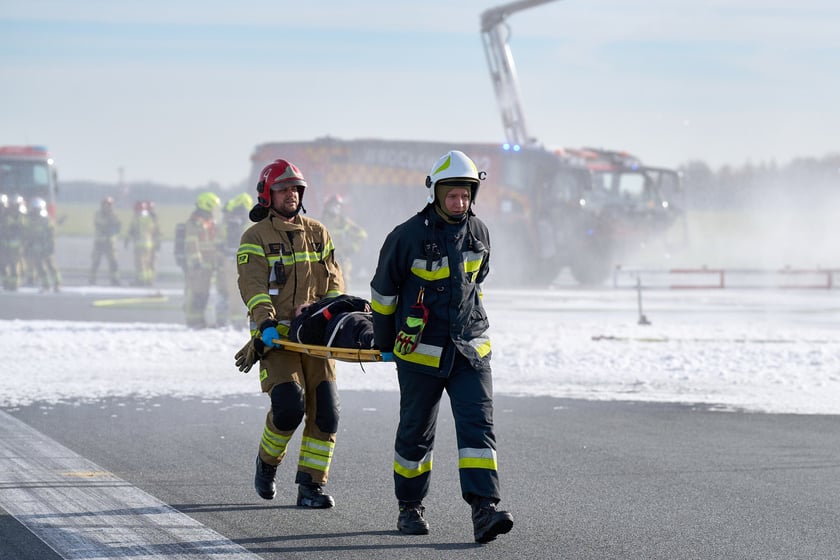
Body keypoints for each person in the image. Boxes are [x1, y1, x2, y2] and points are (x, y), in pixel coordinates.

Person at [370, 150, 514, 543]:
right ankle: (410, 507)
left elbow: (476, 279)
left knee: (478, 429)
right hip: (420, 354)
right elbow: (382, 295)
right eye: (452, 194)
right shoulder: (406, 236)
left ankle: (484, 510)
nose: (459, 202)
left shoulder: (479, 232)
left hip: (470, 351)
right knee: (416, 432)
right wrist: (384, 343)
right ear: (435, 193)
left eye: (466, 194)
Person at [237, 159, 344, 509]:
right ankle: (267, 465)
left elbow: (334, 283)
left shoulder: (319, 232)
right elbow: (253, 287)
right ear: (268, 194)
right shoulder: (255, 237)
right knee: (288, 408)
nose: (291, 196)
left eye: (296, 189)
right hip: (277, 340)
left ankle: (310, 487)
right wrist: (265, 324)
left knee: (326, 412)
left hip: (316, 341)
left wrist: (329, 315)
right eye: (283, 189)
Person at [182, 191, 221, 328]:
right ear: (207, 205)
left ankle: (200, 320)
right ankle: (193, 321)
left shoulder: (208, 221)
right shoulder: (195, 222)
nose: (215, 210)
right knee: (196, 292)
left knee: (204, 293)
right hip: (198, 266)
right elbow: (192, 242)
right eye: (213, 207)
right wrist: (196, 261)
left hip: (208, 265)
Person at [216, 193, 253, 327]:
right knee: (235, 292)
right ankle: (236, 322)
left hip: (229, 261)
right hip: (234, 262)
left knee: (225, 291)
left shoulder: (229, 224)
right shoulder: (236, 225)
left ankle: (222, 321)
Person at [320, 194, 367, 287]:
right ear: (327, 206)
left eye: (337, 205)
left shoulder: (344, 222)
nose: (335, 208)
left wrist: (352, 248)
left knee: (343, 285)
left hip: (341, 259)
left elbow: (362, 235)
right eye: (333, 205)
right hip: (324, 260)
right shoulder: (320, 222)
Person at [26, 197, 61, 292]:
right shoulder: (30, 220)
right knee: (39, 267)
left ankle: (57, 284)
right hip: (36, 248)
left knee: (50, 265)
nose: (35, 212)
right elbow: (28, 234)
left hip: (46, 247)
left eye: (37, 210)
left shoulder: (47, 220)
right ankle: (46, 285)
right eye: (34, 210)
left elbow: (52, 234)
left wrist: (50, 247)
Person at [125, 200, 161, 286]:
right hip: (149, 245)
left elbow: (131, 231)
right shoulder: (151, 218)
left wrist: (126, 241)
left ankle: (141, 281)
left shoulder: (137, 219)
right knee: (148, 264)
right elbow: (156, 231)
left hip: (139, 245)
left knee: (140, 265)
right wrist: (157, 243)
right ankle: (149, 280)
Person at [89, 196, 121, 286]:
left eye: (109, 205)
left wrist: (112, 226)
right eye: (105, 205)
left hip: (110, 243)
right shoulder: (98, 214)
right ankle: (92, 279)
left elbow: (117, 226)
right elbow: (98, 224)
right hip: (99, 242)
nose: (107, 207)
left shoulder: (114, 215)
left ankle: (115, 279)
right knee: (96, 261)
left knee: (113, 262)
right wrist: (107, 224)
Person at [0, 194, 27, 291]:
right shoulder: (5, 216)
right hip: (4, 245)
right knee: (3, 265)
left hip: (16, 247)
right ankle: (6, 283)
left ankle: (14, 284)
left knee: (13, 265)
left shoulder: (20, 217)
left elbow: (23, 231)